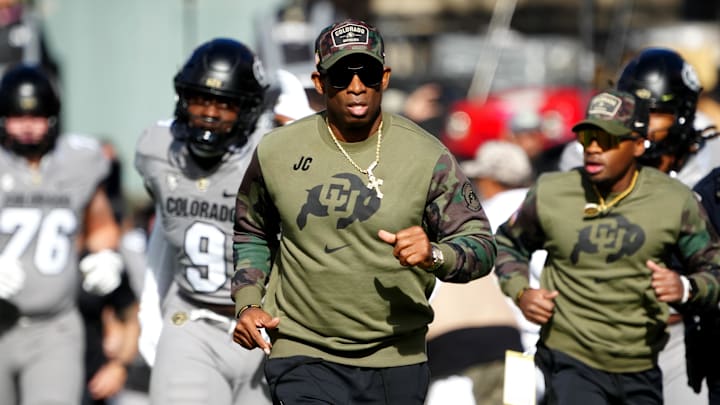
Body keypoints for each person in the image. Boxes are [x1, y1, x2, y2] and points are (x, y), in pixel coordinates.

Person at [230, 18, 497, 405]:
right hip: (303, 351)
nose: (356, 87)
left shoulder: (426, 155)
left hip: (396, 357)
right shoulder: (277, 151)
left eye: (367, 73)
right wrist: (249, 303)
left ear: (384, 77)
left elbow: (481, 247)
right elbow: (251, 231)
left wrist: (434, 254)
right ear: (320, 83)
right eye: (341, 76)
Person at [495, 88, 720, 404]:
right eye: (588, 138)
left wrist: (684, 287)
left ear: (639, 145)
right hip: (569, 359)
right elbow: (507, 243)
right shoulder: (552, 191)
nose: (594, 149)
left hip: (640, 363)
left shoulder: (673, 199)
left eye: (609, 139)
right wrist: (521, 291)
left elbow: (713, 268)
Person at [133, 38, 273, 405]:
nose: (210, 113)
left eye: (225, 103)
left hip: (269, 327)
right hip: (193, 318)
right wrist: (151, 307)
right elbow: (168, 228)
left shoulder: (273, 155)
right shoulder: (157, 149)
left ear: (247, 109)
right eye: (201, 99)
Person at [0, 64, 123, 405]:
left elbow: (100, 224)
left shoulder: (78, 160)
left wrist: (105, 255)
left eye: (36, 116)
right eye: (15, 116)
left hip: (55, 327)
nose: (26, 126)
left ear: (53, 117)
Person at [425, 141, 532, 405]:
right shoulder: (551, 207)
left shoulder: (485, 218)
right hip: (518, 343)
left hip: (463, 342)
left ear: (492, 179)